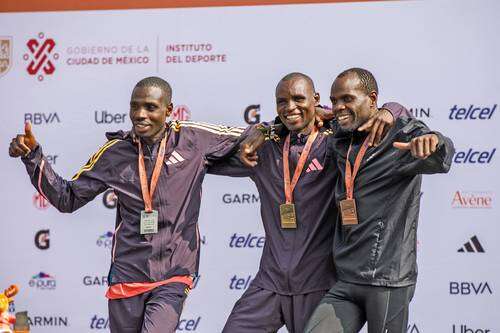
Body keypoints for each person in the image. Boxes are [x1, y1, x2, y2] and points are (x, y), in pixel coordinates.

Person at [8, 76, 249, 333]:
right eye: (135, 106)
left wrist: (278, 134)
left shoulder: (191, 139)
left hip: (172, 275)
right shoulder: (115, 153)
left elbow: (252, 135)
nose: (140, 114)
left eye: (150, 107)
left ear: (168, 110)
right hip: (127, 275)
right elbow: (67, 198)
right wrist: (33, 157)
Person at [210, 72, 407, 333]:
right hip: (269, 284)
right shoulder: (265, 146)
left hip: (318, 285)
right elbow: (205, 153)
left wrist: (390, 111)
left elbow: (384, 116)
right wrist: (265, 127)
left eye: (298, 99)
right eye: (282, 101)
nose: (290, 107)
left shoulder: (334, 141)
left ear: (315, 100)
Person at [304, 68, 455, 333]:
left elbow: (440, 156)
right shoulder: (341, 132)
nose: (339, 107)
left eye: (347, 99)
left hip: (387, 280)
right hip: (346, 278)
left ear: (372, 99)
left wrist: (434, 142)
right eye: (335, 100)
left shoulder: (401, 135)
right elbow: (307, 114)